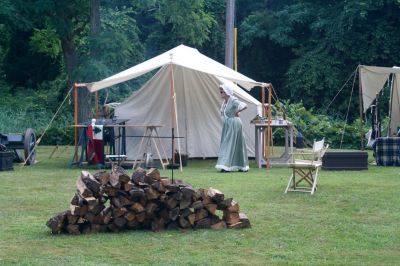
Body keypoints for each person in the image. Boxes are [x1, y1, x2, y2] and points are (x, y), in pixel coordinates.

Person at [215, 82, 249, 172]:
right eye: (220, 90)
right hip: (228, 124)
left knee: (229, 143)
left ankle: (226, 166)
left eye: (222, 90)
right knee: (230, 143)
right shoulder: (225, 102)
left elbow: (245, 105)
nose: (221, 92)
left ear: (227, 91)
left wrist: (237, 111)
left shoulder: (233, 100)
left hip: (234, 123)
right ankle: (239, 166)